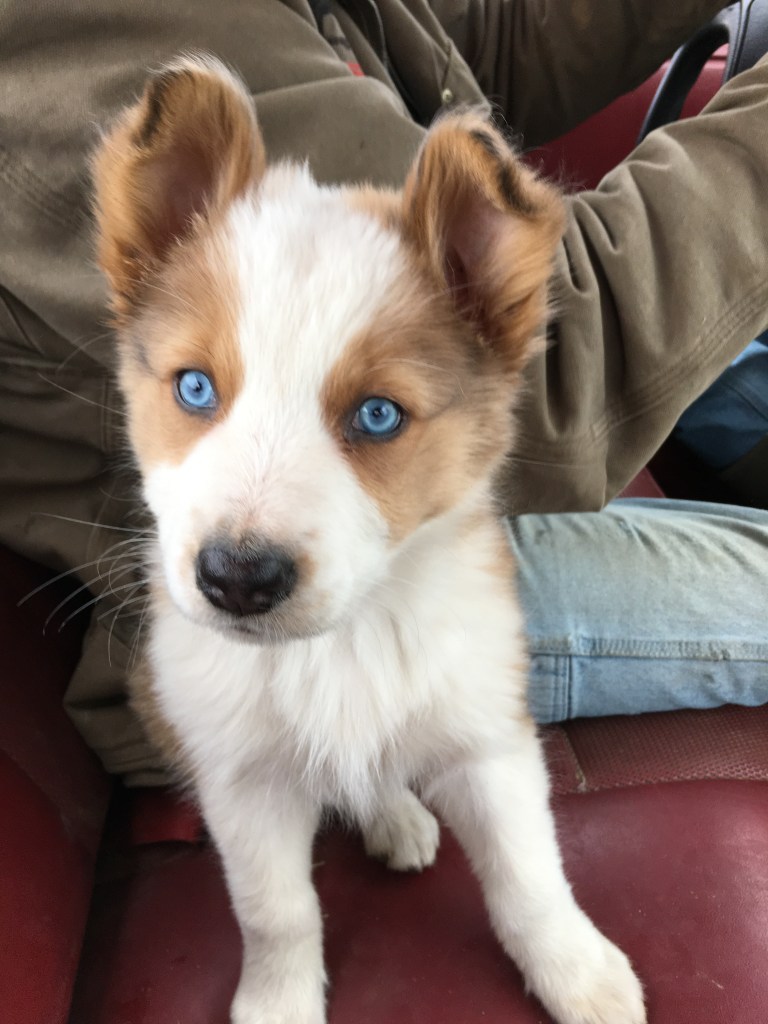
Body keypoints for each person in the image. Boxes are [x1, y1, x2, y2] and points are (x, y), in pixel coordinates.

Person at [1, 0, 767, 785]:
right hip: (258, 623)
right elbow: (558, 386)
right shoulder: (99, 28)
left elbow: (472, 54)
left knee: (739, 361)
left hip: (365, 507)